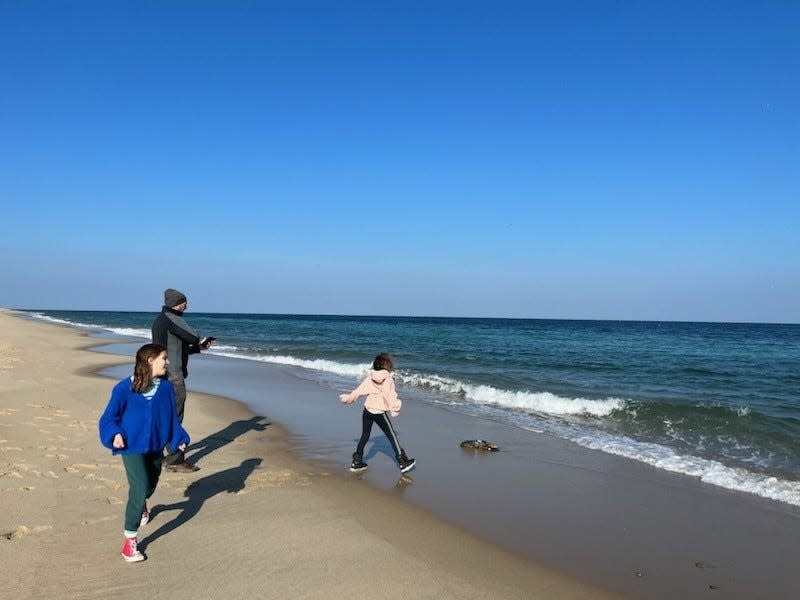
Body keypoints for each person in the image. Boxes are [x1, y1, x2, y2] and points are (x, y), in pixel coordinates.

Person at [98, 343, 189, 563]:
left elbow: (171, 419)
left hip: (156, 446)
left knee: (149, 485)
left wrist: (179, 439)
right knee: (138, 488)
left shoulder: (166, 388)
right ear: (150, 360)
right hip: (131, 446)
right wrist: (115, 435)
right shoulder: (123, 389)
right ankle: (130, 541)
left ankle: (142, 504)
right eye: (163, 358)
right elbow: (108, 418)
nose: (167, 362)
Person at [151, 288, 213, 472]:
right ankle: (175, 460)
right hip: (172, 375)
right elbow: (193, 335)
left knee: (164, 416)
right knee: (175, 417)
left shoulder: (160, 320)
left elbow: (177, 347)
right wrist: (197, 341)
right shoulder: (172, 318)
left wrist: (200, 348)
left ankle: (158, 455)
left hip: (160, 372)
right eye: (185, 302)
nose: (187, 306)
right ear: (177, 303)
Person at [339, 352, 416, 473]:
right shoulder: (388, 379)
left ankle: (357, 461)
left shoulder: (370, 377)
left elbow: (358, 391)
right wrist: (395, 406)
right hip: (379, 412)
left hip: (367, 410)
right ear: (388, 366)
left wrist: (347, 398)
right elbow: (389, 395)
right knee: (392, 435)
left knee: (365, 435)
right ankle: (402, 462)